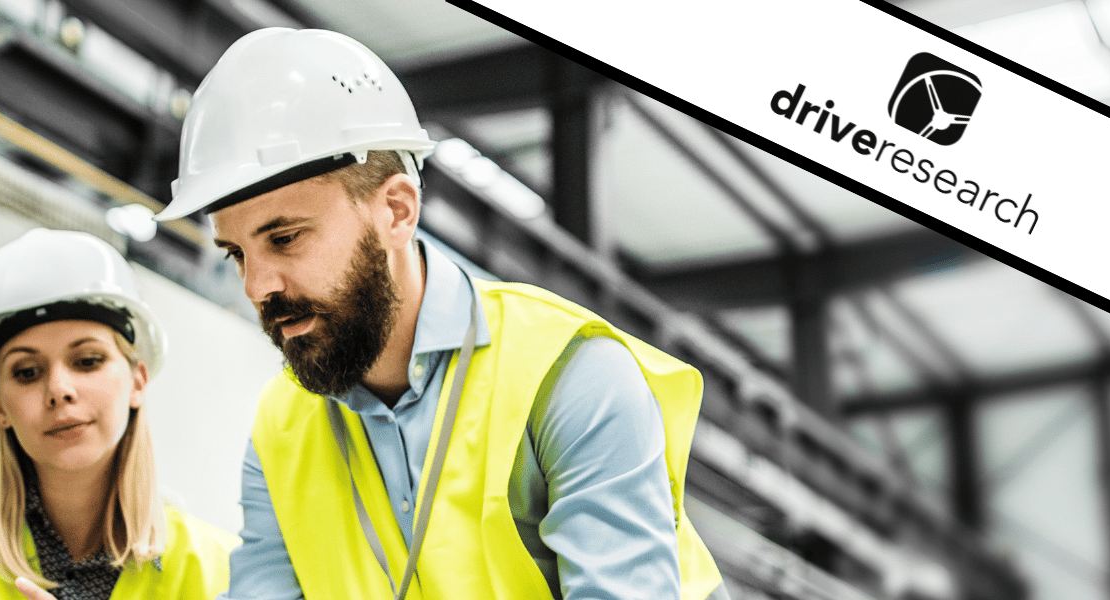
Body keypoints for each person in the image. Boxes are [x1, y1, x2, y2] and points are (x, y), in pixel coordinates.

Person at [154, 28, 728, 599]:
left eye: (284, 238)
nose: (257, 287)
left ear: (397, 211)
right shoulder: (282, 429)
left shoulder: (568, 378)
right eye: (236, 255)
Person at [0, 229, 237, 600]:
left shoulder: (220, 568)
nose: (59, 390)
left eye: (87, 361)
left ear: (137, 381)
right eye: (27, 372)